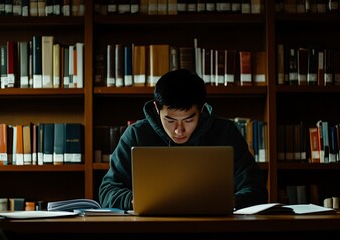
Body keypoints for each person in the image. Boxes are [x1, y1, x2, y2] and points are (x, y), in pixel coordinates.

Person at [99, 69, 268, 210]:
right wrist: (135, 201)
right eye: (170, 120)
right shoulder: (136, 134)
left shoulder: (226, 132)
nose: (179, 130)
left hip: (214, 226)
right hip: (150, 228)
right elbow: (107, 191)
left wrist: (230, 202)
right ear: (157, 109)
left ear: (201, 109)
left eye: (188, 120)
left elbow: (256, 189)